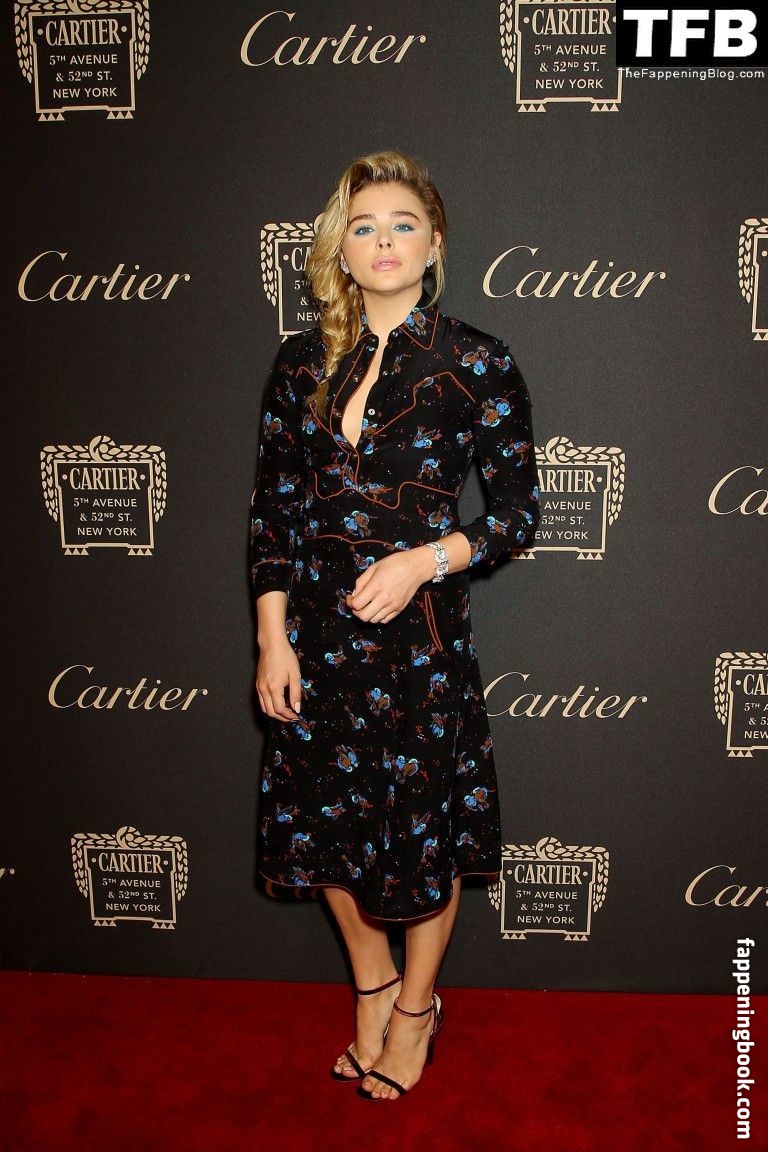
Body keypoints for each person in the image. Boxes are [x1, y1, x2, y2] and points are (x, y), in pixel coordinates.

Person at [250, 150, 540, 1100]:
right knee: (325, 824)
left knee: (425, 834)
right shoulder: (300, 363)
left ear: (434, 241)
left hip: (420, 645)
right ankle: (372, 988)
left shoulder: (476, 360)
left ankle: (417, 1009)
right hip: (316, 639)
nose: (384, 241)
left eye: (403, 223)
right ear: (341, 248)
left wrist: (425, 560)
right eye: (365, 226)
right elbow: (274, 513)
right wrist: (272, 637)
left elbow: (516, 515)